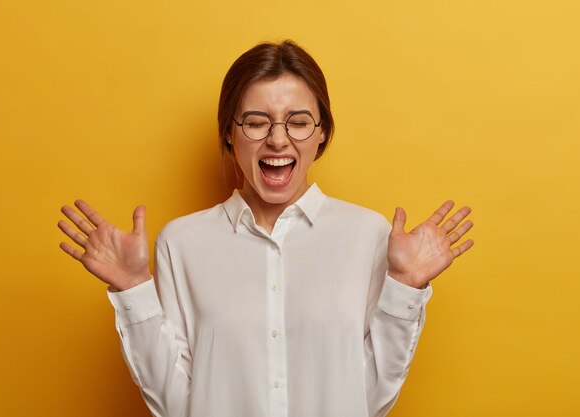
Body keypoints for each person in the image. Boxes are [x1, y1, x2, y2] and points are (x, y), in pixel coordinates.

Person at [58, 40, 473, 417]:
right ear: (229, 132)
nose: (278, 140)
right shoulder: (181, 243)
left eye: (298, 121)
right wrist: (133, 287)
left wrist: (404, 286)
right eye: (256, 122)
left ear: (321, 131)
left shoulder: (368, 235)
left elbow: (369, 397)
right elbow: (174, 403)